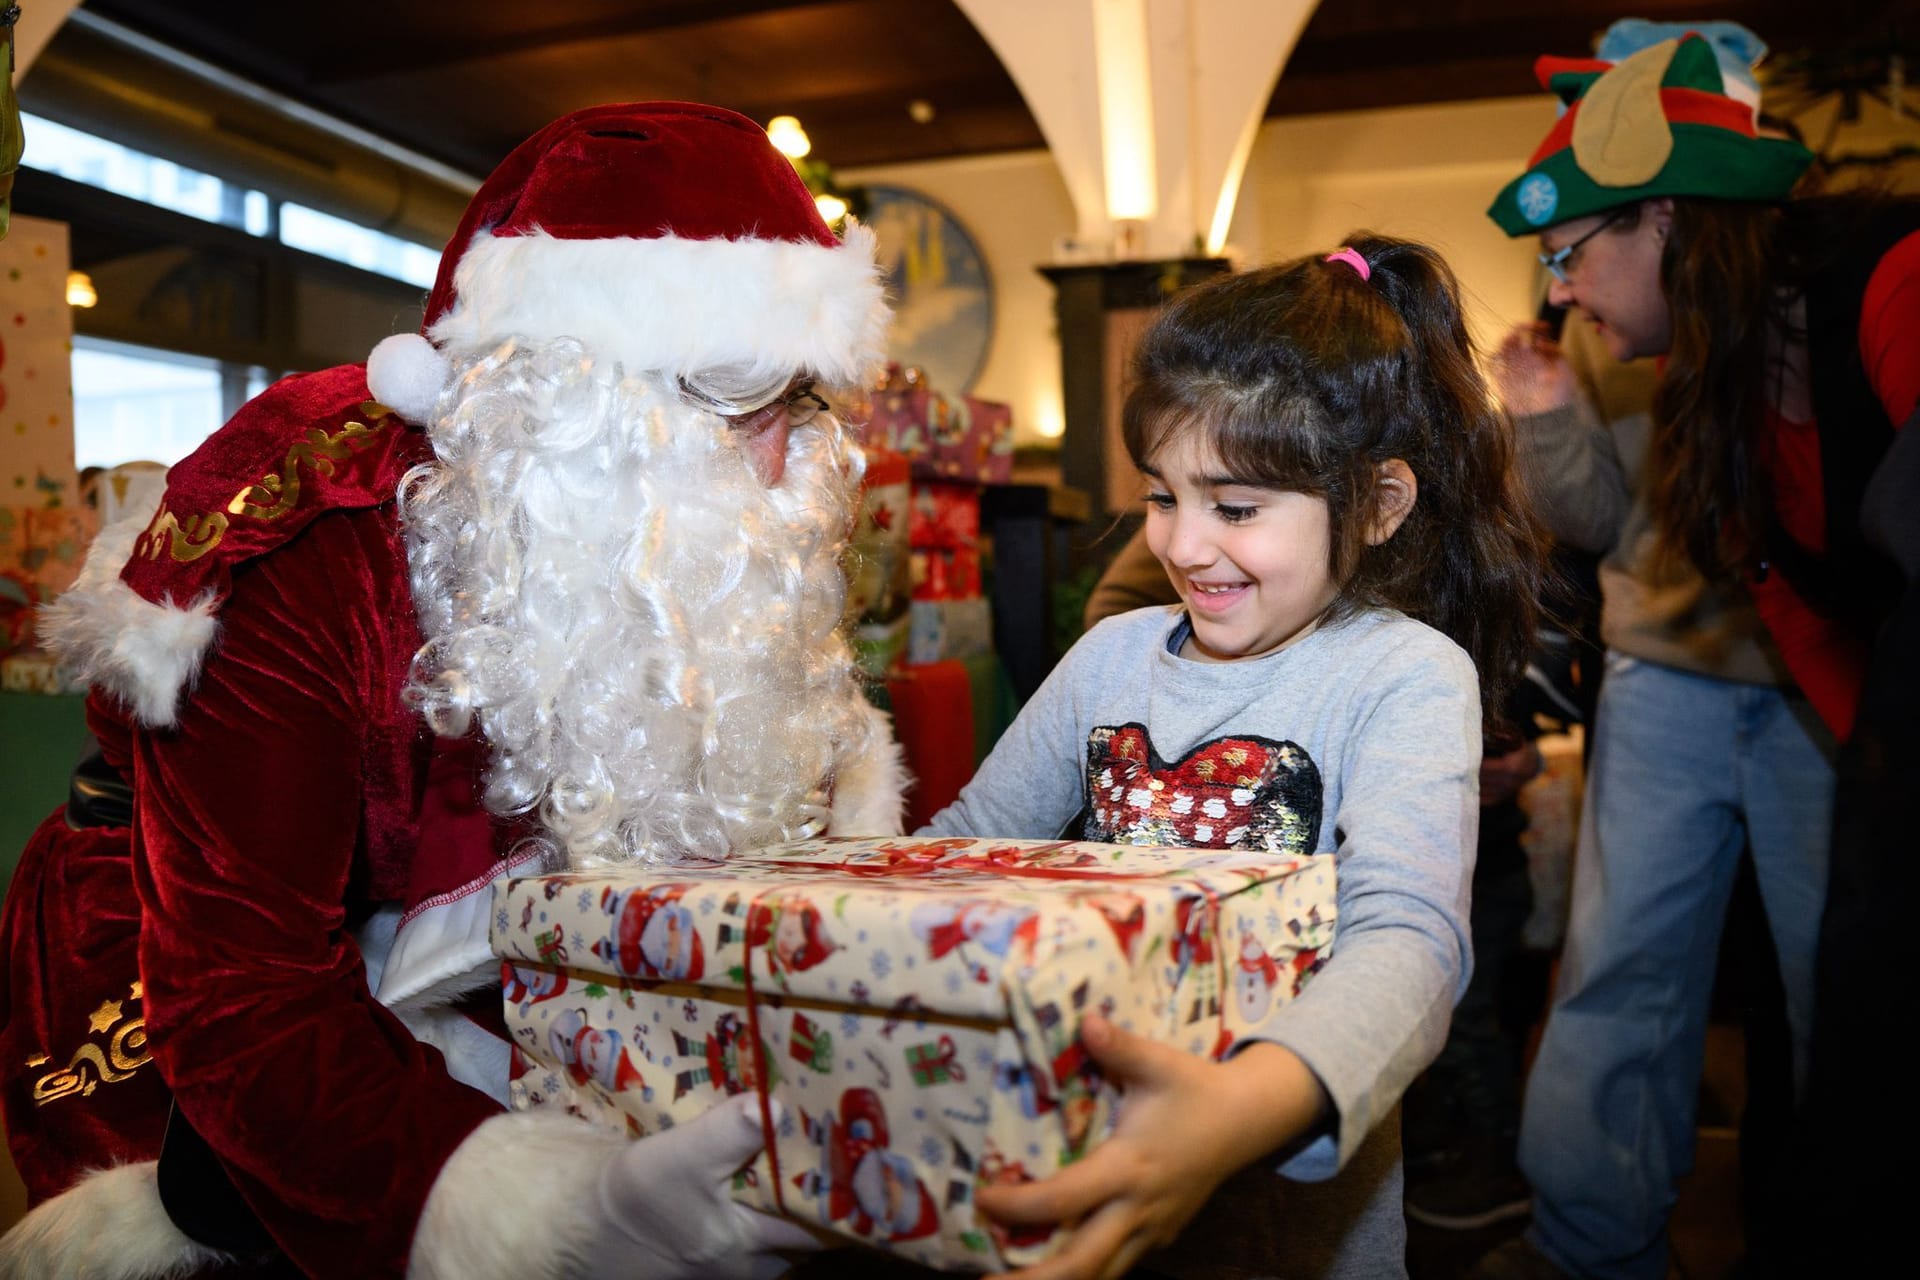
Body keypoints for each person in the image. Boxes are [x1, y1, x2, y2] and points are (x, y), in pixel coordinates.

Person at [0, 102, 907, 1279]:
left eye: (803, 402)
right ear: (570, 390)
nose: (782, 464)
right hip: (178, 958)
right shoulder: (307, 548)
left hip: (476, 961)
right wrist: (553, 1208)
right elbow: (246, 997)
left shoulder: (719, 520)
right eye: (739, 396)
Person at [920, 236, 1548, 1279]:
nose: (1184, 543)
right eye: (1164, 495)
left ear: (1380, 505)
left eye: (1237, 506)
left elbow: (1411, 943)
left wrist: (1237, 1111)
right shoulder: (1111, 654)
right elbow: (964, 849)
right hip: (1094, 1191)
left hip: (1301, 1238)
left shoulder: (1404, 675)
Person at [1473, 21, 1920, 1280]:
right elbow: (1745, 579)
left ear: (1661, 218)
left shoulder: (1884, 278)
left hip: (1837, 707)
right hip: (1693, 685)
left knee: (1849, 980)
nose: (1556, 288)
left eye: (1568, 253)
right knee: (1622, 975)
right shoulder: (1701, 367)